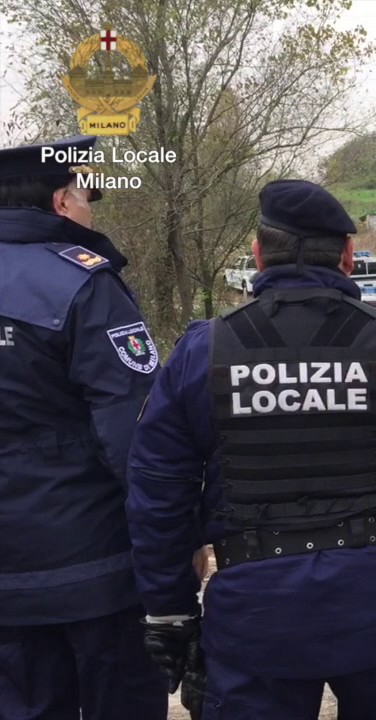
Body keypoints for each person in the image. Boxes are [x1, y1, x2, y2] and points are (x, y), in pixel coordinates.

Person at [125, 178, 376, 719]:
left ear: (257, 254)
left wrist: (169, 610)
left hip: (255, 615)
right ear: (347, 257)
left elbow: (157, 494)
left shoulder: (201, 354)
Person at [0, 135, 169, 719]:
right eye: (85, 192)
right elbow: (136, 432)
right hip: (91, 570)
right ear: (61, 202)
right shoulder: (81, 282)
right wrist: (173, 540)